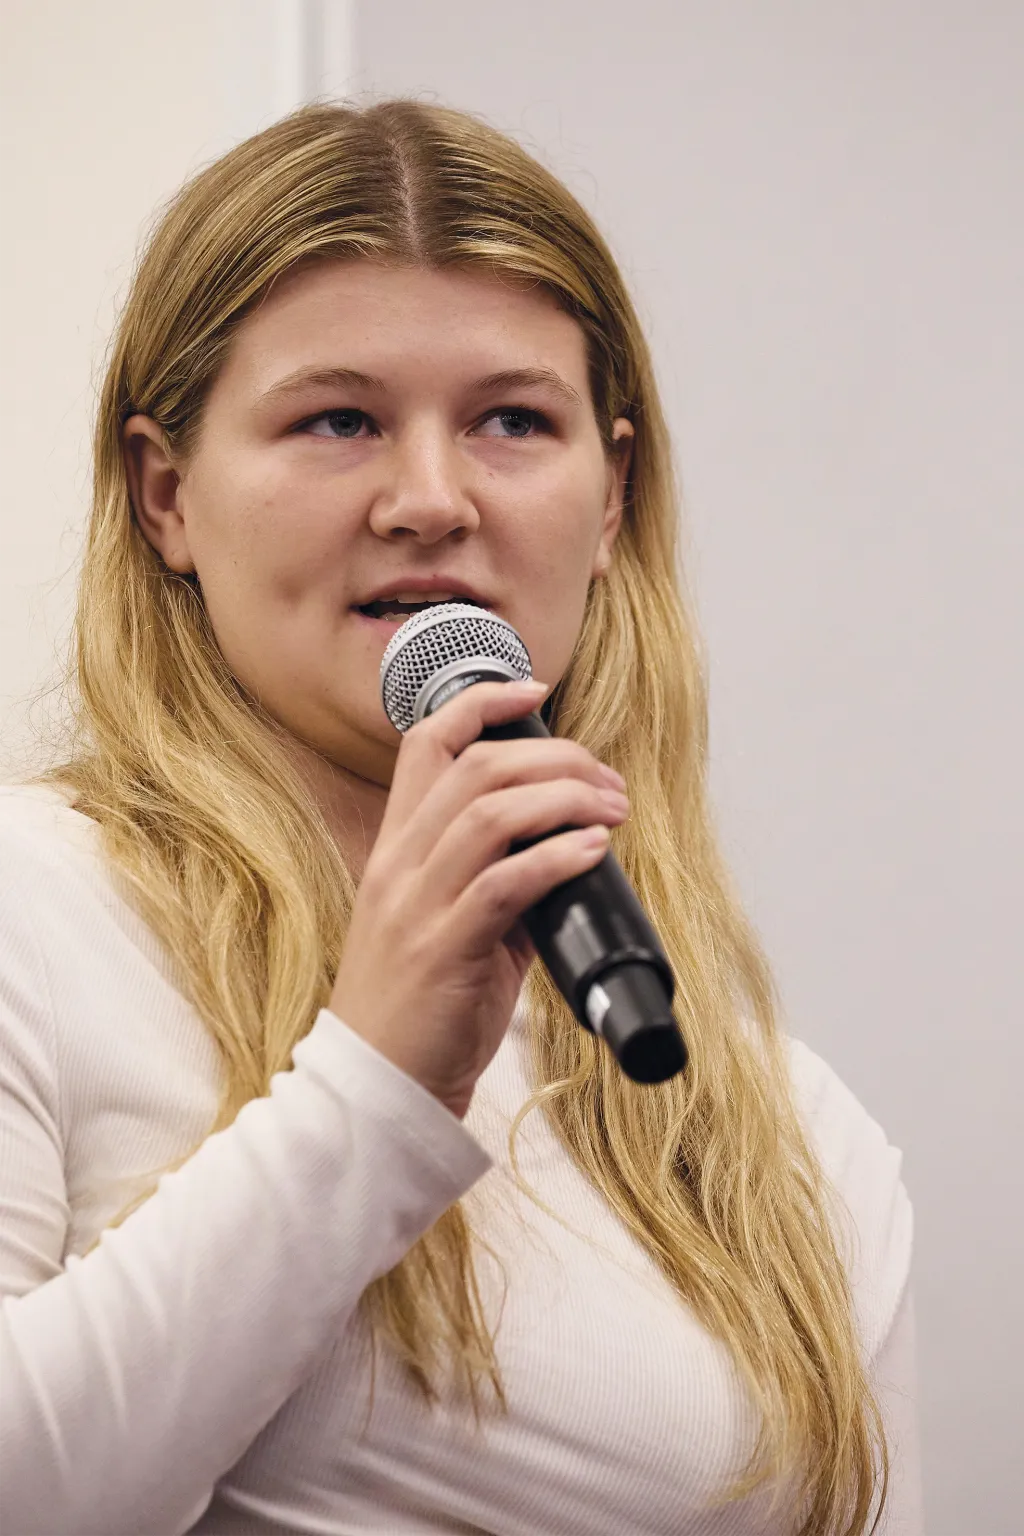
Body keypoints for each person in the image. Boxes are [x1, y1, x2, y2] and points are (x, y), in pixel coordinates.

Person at [0, 100, 921, 1535]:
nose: (430, 501)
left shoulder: (786, 1130)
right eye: (339, 419)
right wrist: (370, 1084)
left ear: (610, 497)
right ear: (167, 493)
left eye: (510, 421)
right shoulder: (36, 916)